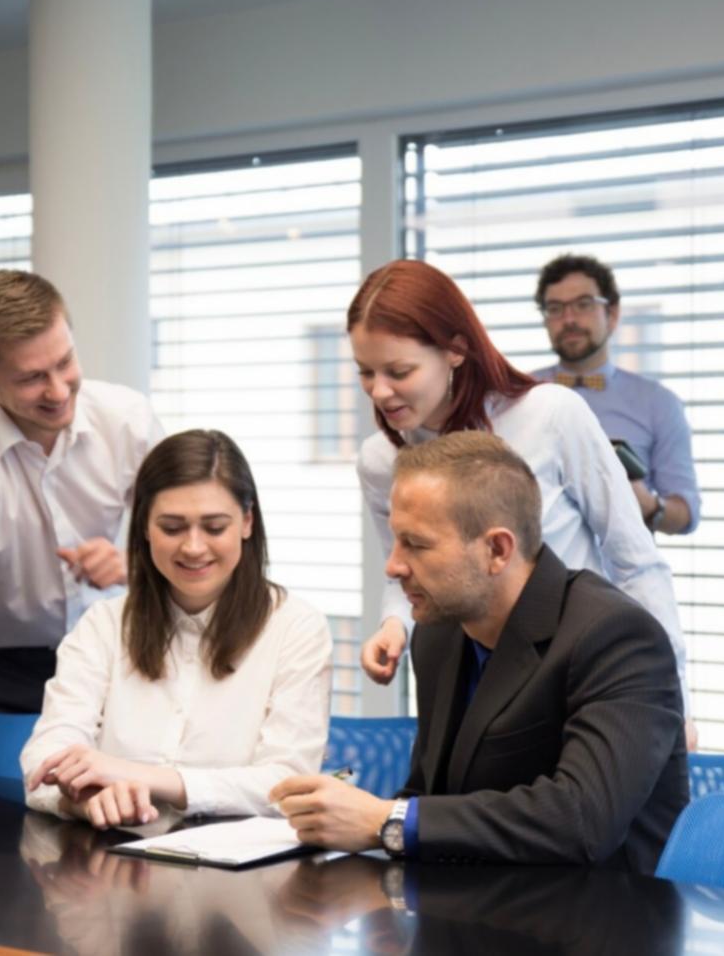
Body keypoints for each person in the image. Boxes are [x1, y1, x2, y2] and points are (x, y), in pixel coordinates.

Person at [272, 433, 688, 873]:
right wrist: (345, 819)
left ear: (496, 550)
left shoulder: (616, 636)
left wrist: (384, 820)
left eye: (416, 544)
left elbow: (582, 820)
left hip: (601, 923)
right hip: (475, 905)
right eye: (395, 541)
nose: (393, 566)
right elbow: (429, 795)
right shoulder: (438, 633)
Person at [348, 259, 692, 727]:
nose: (381, 393)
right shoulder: (379, 460)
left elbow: (637, 562)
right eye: (366, 373)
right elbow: (402, 572)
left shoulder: (549, 415)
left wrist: (674, 704)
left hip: (577, 678)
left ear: (454, 350)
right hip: (466, 690)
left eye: (399, 370)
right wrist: (395, 626)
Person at [0, 269, 165, 801]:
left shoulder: (127, 420)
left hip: (111, 656)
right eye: (31, 378)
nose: (58, 390)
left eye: (65, 362)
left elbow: (183, 542)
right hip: (2, 669)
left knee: (126, 812)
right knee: (1, 828)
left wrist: (129, 562)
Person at [21, 429, 332, 828]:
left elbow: (285, 783)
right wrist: (89, 800)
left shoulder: (297, 628)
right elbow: (44, 759)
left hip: (239, 881)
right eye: (172, 527)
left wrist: (142, 778)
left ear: (247, 522)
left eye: (215, 527)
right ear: (145, 528)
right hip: (113, 866)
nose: (193, 547)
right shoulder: (103, 626)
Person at [532, 253, 700, 535]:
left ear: (612, 314)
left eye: (583, 305)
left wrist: (648, 506)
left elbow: (686, 515)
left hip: (619, 577)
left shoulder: (659, 403)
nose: (569, 319)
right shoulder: (515, 394)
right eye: (555, 308)